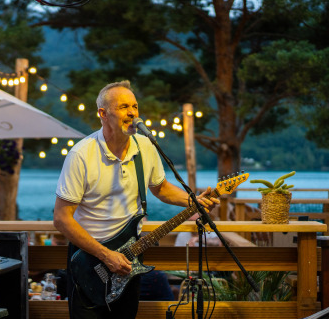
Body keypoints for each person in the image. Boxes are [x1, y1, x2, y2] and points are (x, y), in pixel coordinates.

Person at [53, 80, 219, 319]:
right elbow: (61, 218)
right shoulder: (81, 154)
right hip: (89, 259)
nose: (132, 112)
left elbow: (160, 188)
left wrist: (194, 202)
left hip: (130, 255)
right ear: (103, 113)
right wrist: (105, 255)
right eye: (123, 107)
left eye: (135, 106)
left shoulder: (145, 146)